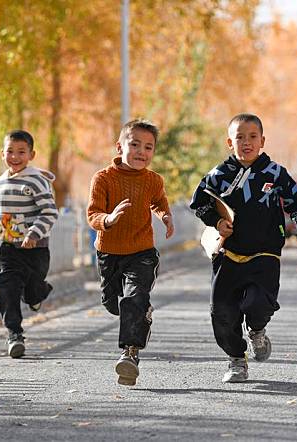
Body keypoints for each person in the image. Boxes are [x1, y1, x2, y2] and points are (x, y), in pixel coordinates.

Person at [190, 113, 297, 383]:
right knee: (222, 310)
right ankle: (237, 359)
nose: (246, 142)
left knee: (259, 303)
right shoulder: (218, 175)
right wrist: (216, 221)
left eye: (252, 137)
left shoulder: (275, 173)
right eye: (239, 137)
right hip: (228, 255)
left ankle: (257, 330)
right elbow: (199, 202)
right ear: (229, 142)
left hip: (265, 253)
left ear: (262, 140)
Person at [87, 119, 174, 386]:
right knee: (114, 305)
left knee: (134, 297)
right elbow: (92, 214)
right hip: (109, 253)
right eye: (134, 144)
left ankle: (130, 354)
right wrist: (109, 219)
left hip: (142, 252)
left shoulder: (153, 180)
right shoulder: (103, 179)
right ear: (120, 146)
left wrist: (166, 216)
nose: (141, 152)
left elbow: (159, 201)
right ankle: (141, 312)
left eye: (148, 147)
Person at [0, 129, 58, 359]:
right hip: (9, 249)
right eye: (10, 151)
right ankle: (14, 334)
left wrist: (33, 234)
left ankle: (38, 293)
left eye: (21, 152)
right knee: (7, 286)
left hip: (36, 249)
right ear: (2, 153)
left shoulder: (36, 180)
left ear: (31, 154)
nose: (15, 156)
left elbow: (50, 211)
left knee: (32, 292)